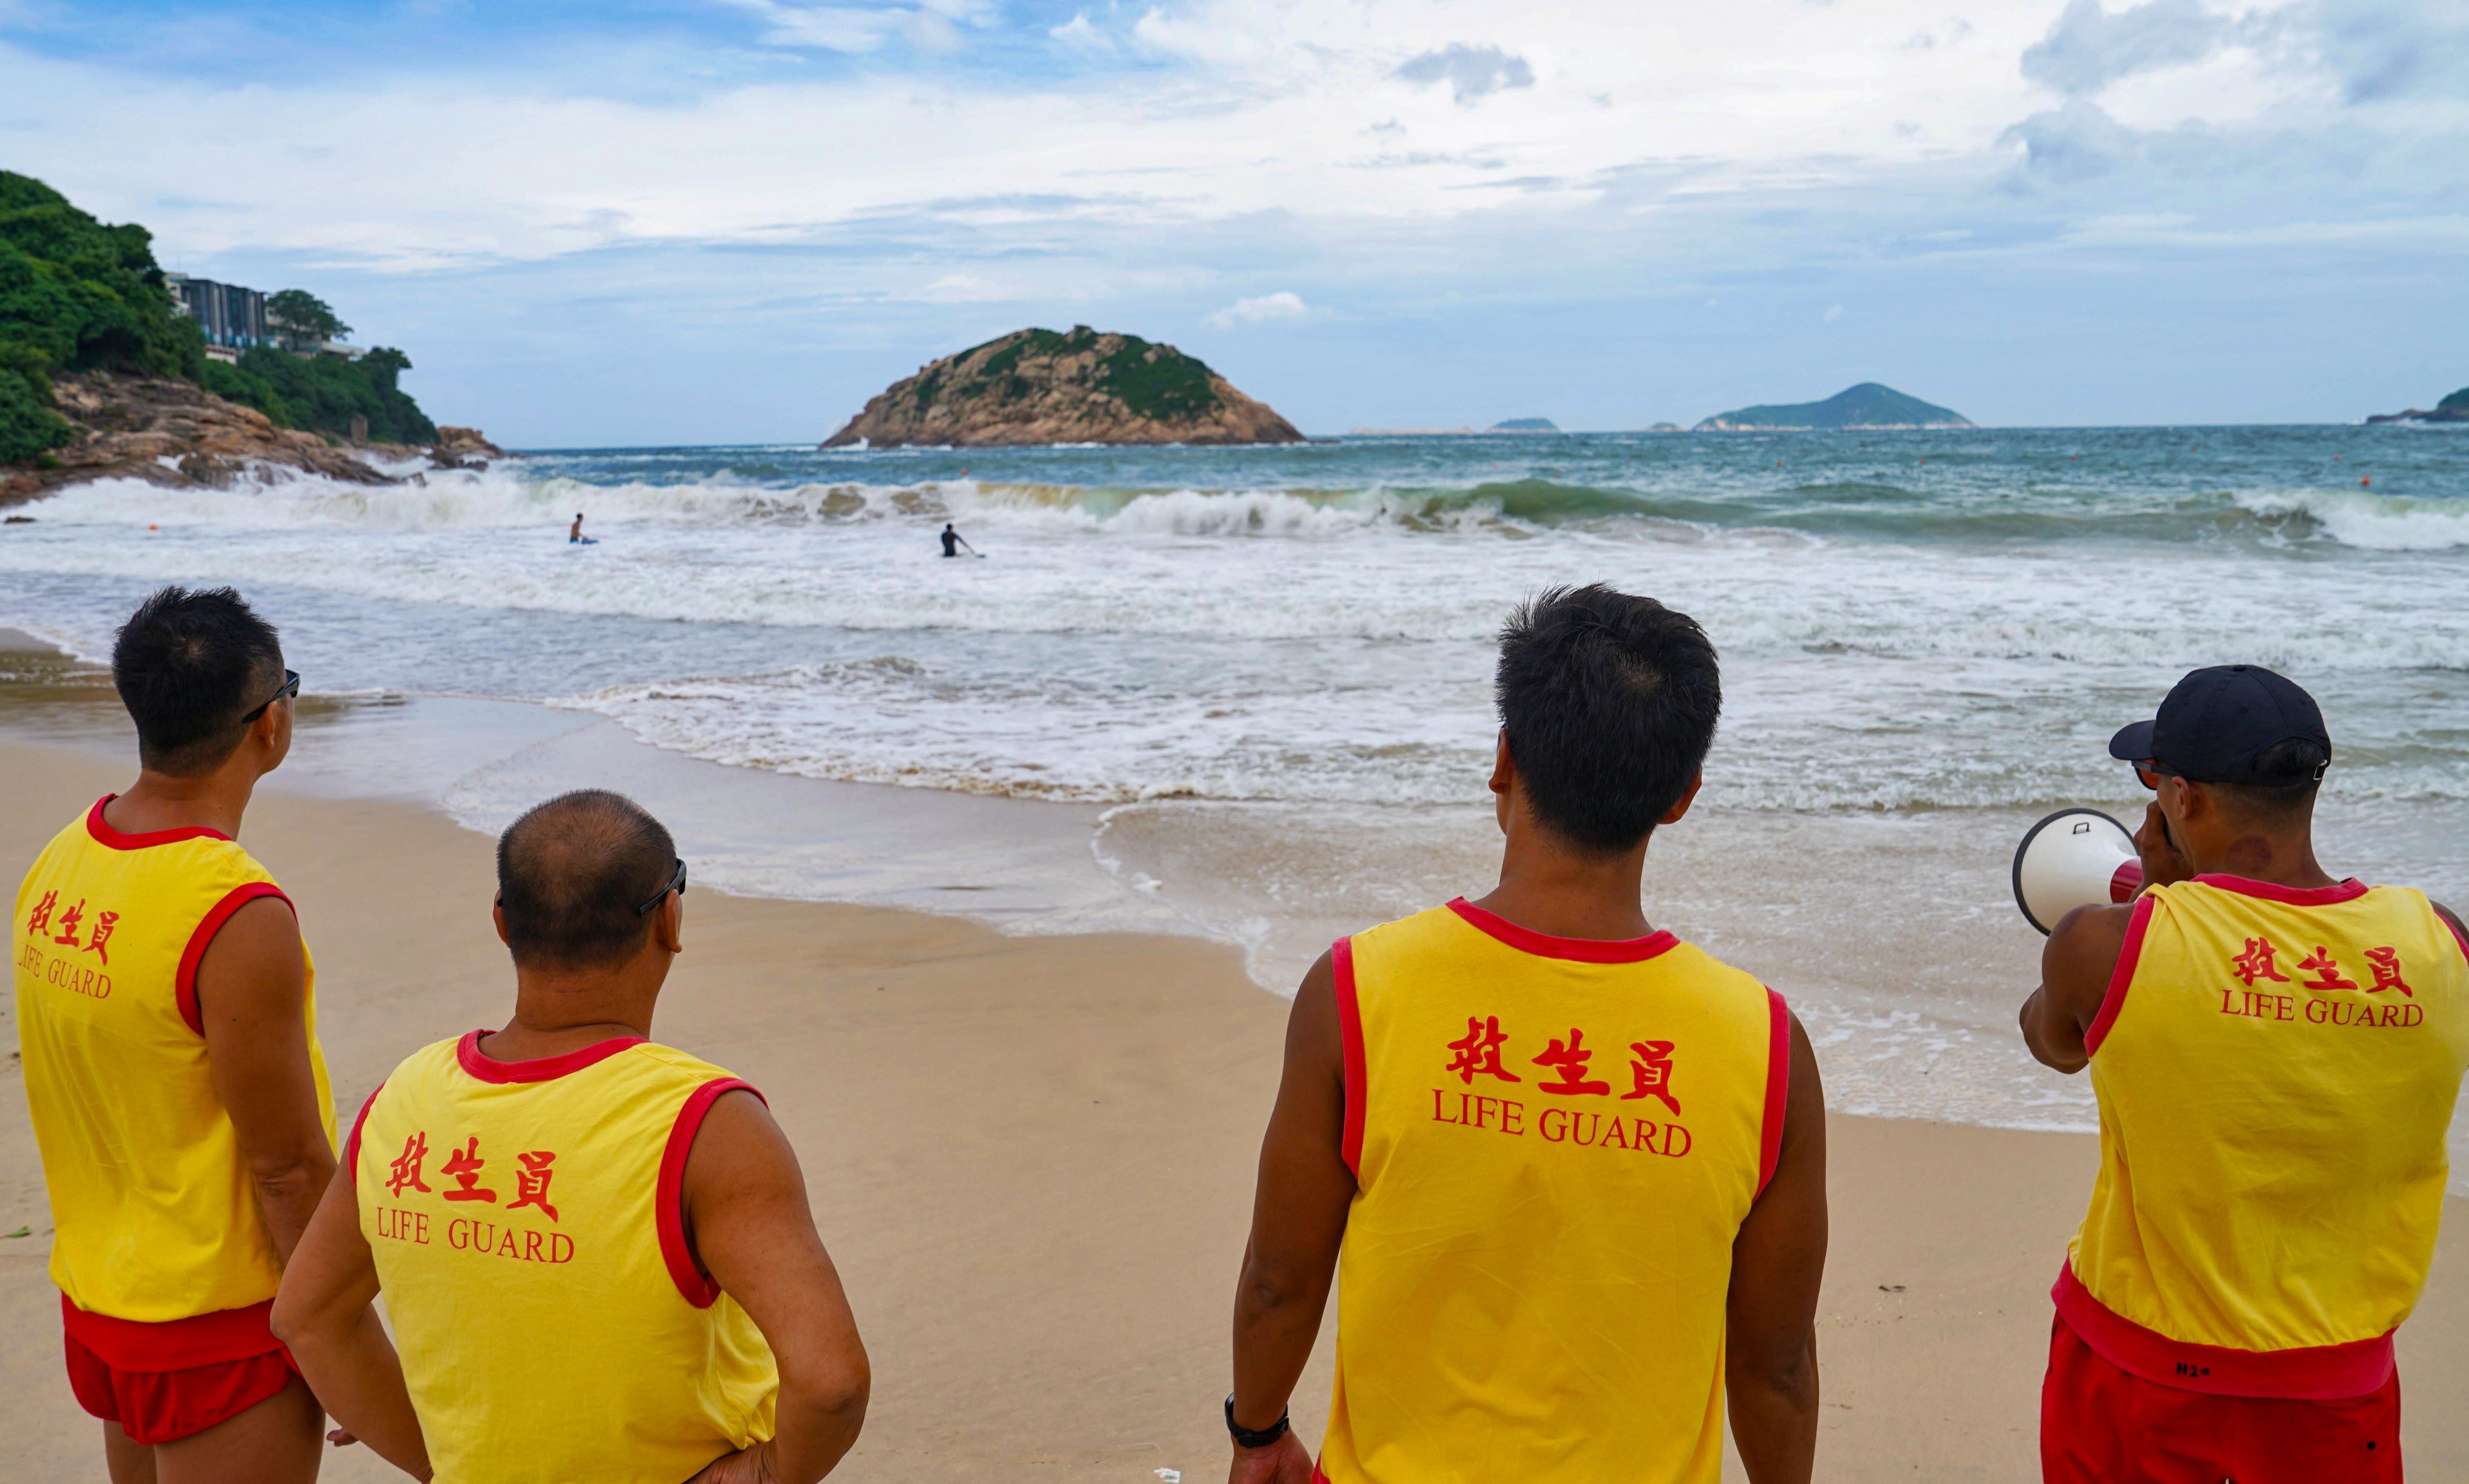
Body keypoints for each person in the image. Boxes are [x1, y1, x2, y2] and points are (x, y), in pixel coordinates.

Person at [1224, 585, 1828, 1484]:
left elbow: (1282, 1278)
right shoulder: (1765, 1043)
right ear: (1681, 796)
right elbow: (1773, 1363)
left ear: (1505, 758)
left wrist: (1259, 1432)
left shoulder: (1358, 990)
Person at [272, 790, 870, 1483]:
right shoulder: (704, 1123)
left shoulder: (403, 1095)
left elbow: (307, 1316)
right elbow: (831, 1384)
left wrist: (444, 1464)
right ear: (669, 919)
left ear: (503, 921)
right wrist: (763, 1472)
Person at [2021, 665, 2469, 1484]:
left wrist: (2159, 893)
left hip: (2135, 1368)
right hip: (2335, 1385)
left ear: (2181, 799)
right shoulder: (2440, 941)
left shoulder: (2108, 943)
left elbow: (2053, 1039)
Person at [14, 585, 338, 1482]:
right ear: (270, 723)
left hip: (105, 1296)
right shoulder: (234, 911)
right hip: (218, 1318)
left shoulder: (62, 857)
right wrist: (337, 1328)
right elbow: (287, 1165)